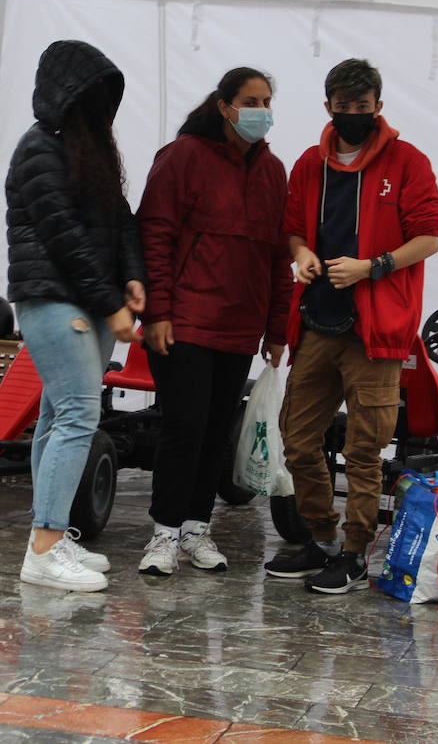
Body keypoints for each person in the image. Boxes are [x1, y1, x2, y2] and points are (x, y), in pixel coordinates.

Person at [265, 58, 438, 595]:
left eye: (362, 108)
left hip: (377, 329)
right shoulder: (307, 165)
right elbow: (293, 230)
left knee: (365, 449)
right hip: (318, 321)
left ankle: (353, 552)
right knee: (297, 439)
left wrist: (374, 266)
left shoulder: (408, 162)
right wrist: (302, 256)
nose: (352, 116)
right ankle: (320, 539)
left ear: (378, 108)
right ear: (329, 107)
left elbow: (429, 236)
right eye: (343, 108)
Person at [135, 68, 293, 576]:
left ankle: (197, 529)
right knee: (183, 426)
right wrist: (156, 312)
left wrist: (277, 327)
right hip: (184, 320)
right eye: (251, 100)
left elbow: (277, 256)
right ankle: (163, 532)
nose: (261, 111)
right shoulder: (181, 156)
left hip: (240, 325)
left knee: (215, 432)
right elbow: (154, 237)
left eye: (267, 101)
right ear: (225, 106)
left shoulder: (274, 172)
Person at [5, 39, 146, 592]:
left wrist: (132, 276)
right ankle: (43, 550)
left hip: (88, 299)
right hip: (53, 299)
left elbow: (121, 221)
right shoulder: (39, 148)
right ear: (64, 93)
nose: (98, 105)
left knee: (57, 417)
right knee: (78, 417)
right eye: (89, 92)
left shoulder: (88, 153)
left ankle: (53, 536)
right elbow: (62, 237)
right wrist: (113, 304)